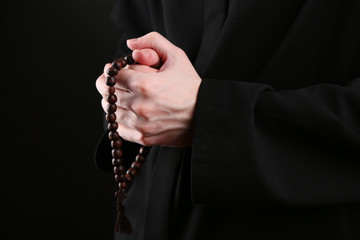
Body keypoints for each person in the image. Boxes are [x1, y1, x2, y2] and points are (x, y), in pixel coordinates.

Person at [95, 0, 360, 239]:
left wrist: (208, 113)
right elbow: (136, 27)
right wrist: (131, 91)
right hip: (146, 212)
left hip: (300, 220)